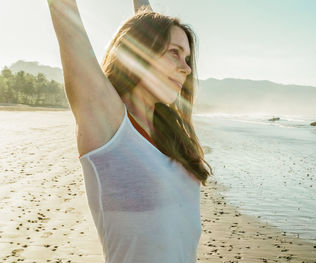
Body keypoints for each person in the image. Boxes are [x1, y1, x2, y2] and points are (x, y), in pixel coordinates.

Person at [47, 0, 213, 262]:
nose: (187, 67)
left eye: (188, 58)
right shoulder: (109, 126)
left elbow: (146, 22)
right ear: (139, 52)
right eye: (174, 52)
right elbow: (65, 15)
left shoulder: (166, 134)